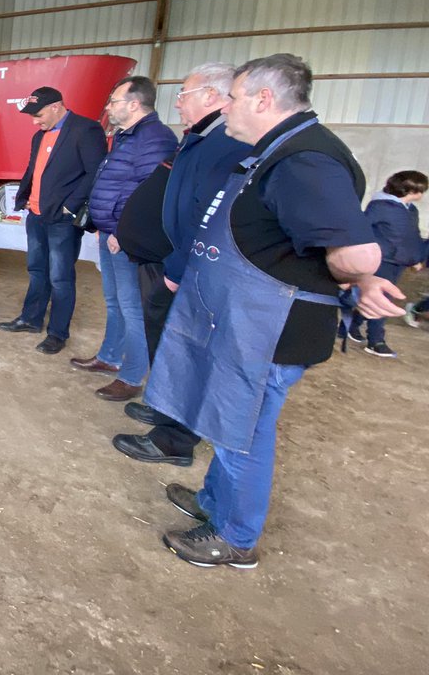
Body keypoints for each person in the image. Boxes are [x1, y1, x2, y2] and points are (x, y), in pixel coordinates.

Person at [145, 53, 403, 568]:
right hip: (247, 322)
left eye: (234, 98)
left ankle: (235, 537)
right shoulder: (277, 152)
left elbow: (353, 251)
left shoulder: (304, 160)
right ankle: (215, 502)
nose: (227, 109)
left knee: (244, 433)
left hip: (271, 330)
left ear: (264, 99)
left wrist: (365, 275)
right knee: (228, 422)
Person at [109, 63, 252, 466]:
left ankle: (175, 438)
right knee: (167, 343)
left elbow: (206, 216)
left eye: (184, 93)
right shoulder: (204, 138)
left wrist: (174, 270)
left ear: (211, 95)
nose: (177, 101)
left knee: (182, 347)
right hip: (169, 260)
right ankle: (166, 407)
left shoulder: (228, 143)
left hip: (184, 268)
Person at [70, 77, 178, 401]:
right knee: (115, 302)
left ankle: (132, 377)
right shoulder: (125, 136)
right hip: (110, 233)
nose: (108, 107)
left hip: (125, 239)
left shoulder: (155, 138)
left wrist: (122, 231)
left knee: (133, 308)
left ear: (134, 104)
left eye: (113, 101)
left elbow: (146, 192)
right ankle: (109, 357)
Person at [0, 86, 107, 354]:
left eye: (39, 115)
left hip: (61, 219)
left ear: (57, 106)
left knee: (60, 277)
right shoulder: (40, 136)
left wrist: (71, 206)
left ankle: (57, 333)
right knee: (37, 270)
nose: (35, 121)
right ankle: (30, 318)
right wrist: (23, 197)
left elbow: (96, 172)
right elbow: (33, 169)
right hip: (36, 214)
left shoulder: (86, 130)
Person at [345, 170, 427, 357]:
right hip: (383, 260)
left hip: (400, 262)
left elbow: (411, 236)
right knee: (383, 299)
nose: (422, 194)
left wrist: (416, 258)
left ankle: (351, 326)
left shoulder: (411, 210)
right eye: (421, 190)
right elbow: (361, 228)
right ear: (412, 190)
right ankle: (376, 340)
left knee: (375, 297)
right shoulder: (380, 207)